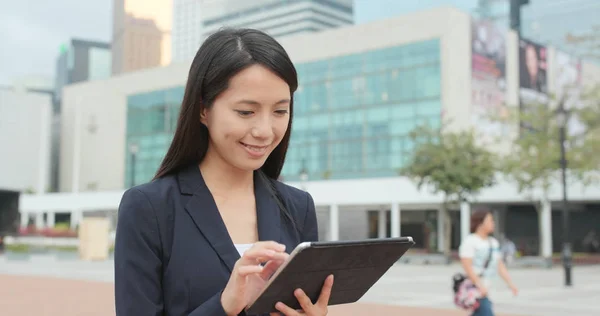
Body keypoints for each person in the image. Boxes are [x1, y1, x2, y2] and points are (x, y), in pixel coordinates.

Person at [114, 28, 333, 316]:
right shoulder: (149, 208)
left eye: (280, 111)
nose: (265, 131)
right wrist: (225, 305)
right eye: (246, 112)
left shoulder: (298, 207)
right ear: (203, 109)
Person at [458, 209, 518, 316]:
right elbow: (467, 267)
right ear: (480, 223)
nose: (493, 224)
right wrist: (479, 285)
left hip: (488, 289)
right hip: (476, 290)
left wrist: (510, 284)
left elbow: (500, 266)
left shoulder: (493, 243)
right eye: (490, 221)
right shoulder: (470, 241)